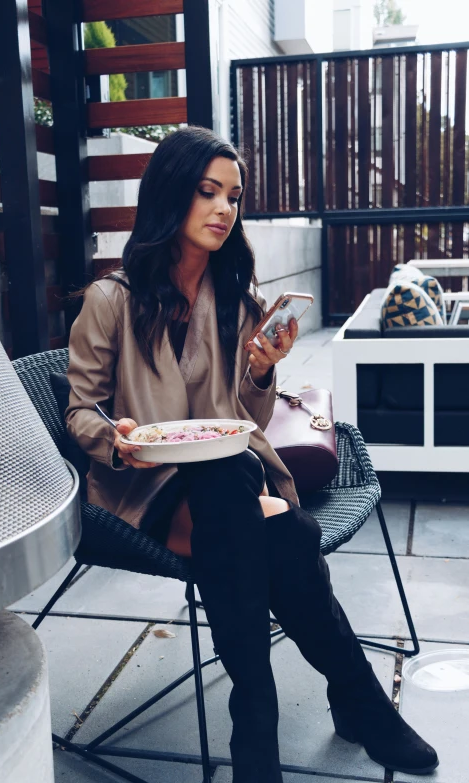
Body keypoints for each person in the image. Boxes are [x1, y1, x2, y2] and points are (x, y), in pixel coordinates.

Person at [65, 126, 438, 783]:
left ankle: (256, 737)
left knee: (233, 480)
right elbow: (79, 409)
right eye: (208, 192)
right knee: (282, 531)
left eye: (234, 196)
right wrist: (116, 439)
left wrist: (262, 371)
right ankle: (359, 701)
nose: (224, 209)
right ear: (170, 195)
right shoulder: (111, 300)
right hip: (146, 486)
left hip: (225, 484)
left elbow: (247, 418)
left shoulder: (234, 295)